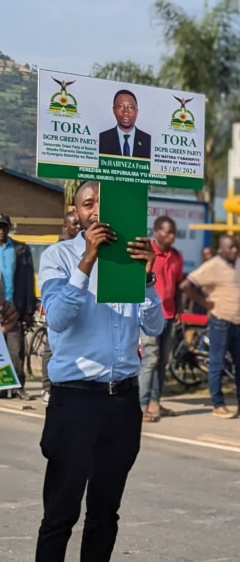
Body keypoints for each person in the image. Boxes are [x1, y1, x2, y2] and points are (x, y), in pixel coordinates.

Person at [35, 181, 163, 562]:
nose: (97, 211)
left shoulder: (129, 259)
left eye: (104, 205)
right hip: (75, 401)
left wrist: (148, 278)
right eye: (88, 204)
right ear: (77, 214)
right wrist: (87, 259)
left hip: (121, 401)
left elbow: (154, 327)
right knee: (60, 514)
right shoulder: (58, 256)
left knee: (105, 513)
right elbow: (57, 318)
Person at [179, 235, 240, 419]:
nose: (234, 251)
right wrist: (204, 303)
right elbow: (186, 285)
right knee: (217, 364)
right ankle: (218, 404)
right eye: (230, 247)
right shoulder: (213, 265)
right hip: (220, 321)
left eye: (236, 247)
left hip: (238, 322)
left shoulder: (238, 262)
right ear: (221, 249)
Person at [137, 216, 184, 422]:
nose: (171, 236)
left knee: (163, 361)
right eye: (166, 232)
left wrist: (179, 311)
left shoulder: (176, 257)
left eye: (173, 232)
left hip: (170, 316)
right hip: (150, 315)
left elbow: (178, 287)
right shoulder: (147, 254)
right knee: (150, 359)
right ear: (156, 231)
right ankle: (141, 405)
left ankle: (156, 402)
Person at [40, 212, 83, 403]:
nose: (78, 227)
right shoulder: (57, 251)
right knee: (51, 347)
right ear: (65, 226)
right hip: (60, 306)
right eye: (74, 224)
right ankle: (47, 386)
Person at [0, 213, 37, 401]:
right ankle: (1, 387)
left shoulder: (21, 250)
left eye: (3, 227)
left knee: (17, 351)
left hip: (15, 309)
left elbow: (28, 281)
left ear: (8, 228)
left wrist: (29, 309)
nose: (0, 231)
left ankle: (17, 387)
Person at [98, 90, 151, 159]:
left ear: (137, 111)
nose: (126, 112)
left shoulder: (149, 141)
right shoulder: (102, 139)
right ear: (114, 110)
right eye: (121, 106)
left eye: (131, 107)